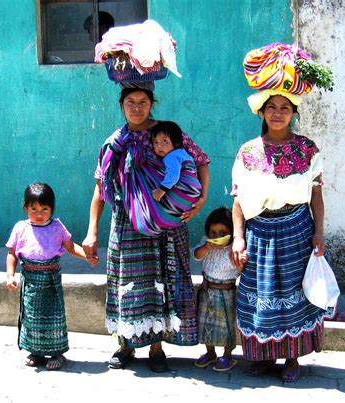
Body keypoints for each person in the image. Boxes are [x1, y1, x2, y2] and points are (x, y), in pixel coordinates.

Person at [82, 85, 210, 372]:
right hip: (128, 225)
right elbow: (100, 189)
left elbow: (201, 160)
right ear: (121, 105)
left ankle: (156, 348)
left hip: (166, 224)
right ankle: (126, 344)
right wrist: (92, 231)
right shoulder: (114, 143)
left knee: (163, 283)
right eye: (130, 102)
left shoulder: (167, 133)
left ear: (152, 103)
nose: (137, 107)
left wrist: (201, 199)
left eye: (143, 101)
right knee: (129, 284)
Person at [232, 43, 335, 382]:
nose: (277, 112)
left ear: (293, 112)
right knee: (260, 294)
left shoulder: (307, 149)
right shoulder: (248, 152)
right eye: (271, 107)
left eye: (284, 107)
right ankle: (263, 355)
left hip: (296, 230)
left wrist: (319, 233)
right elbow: (237, 200)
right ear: (261, 112)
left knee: (293, 294)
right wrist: (238, 238)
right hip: (259, 232)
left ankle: (292, 357)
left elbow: (316, 197)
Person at [6, 183, 90, 370]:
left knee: (54, 316)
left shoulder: (57, 226)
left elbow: (70, 247)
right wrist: (10, 275)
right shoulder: (21, 228)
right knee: (31, 316)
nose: (38, 213)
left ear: (51, 208)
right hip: (31, 280)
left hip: (51, 279)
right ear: (25, 208)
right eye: (33, 208)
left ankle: (57, 353)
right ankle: (35, 352)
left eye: (44, 209)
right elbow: (12, 253)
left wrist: (87, 256)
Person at [193, 207, 241, 372]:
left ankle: (227, 355)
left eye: (222, 233)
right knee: (206, 323)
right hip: (207, 291)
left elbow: (242, 268)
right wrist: (206, 247)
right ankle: (210, 352)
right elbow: (197, 255)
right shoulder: (206, 243)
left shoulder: (234, 249)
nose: (217, 237)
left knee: (226, 326)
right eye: (213, 232)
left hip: (226, 293)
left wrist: (240, 261)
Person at [150, 120, 201, 203]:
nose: (160, 146)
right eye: (156, 142)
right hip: (195, 191)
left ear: (176, 142)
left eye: (165, 141)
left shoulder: (171, 156)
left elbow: (173, 174)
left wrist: (161, 190)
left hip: (186, 191)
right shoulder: (182, 153)